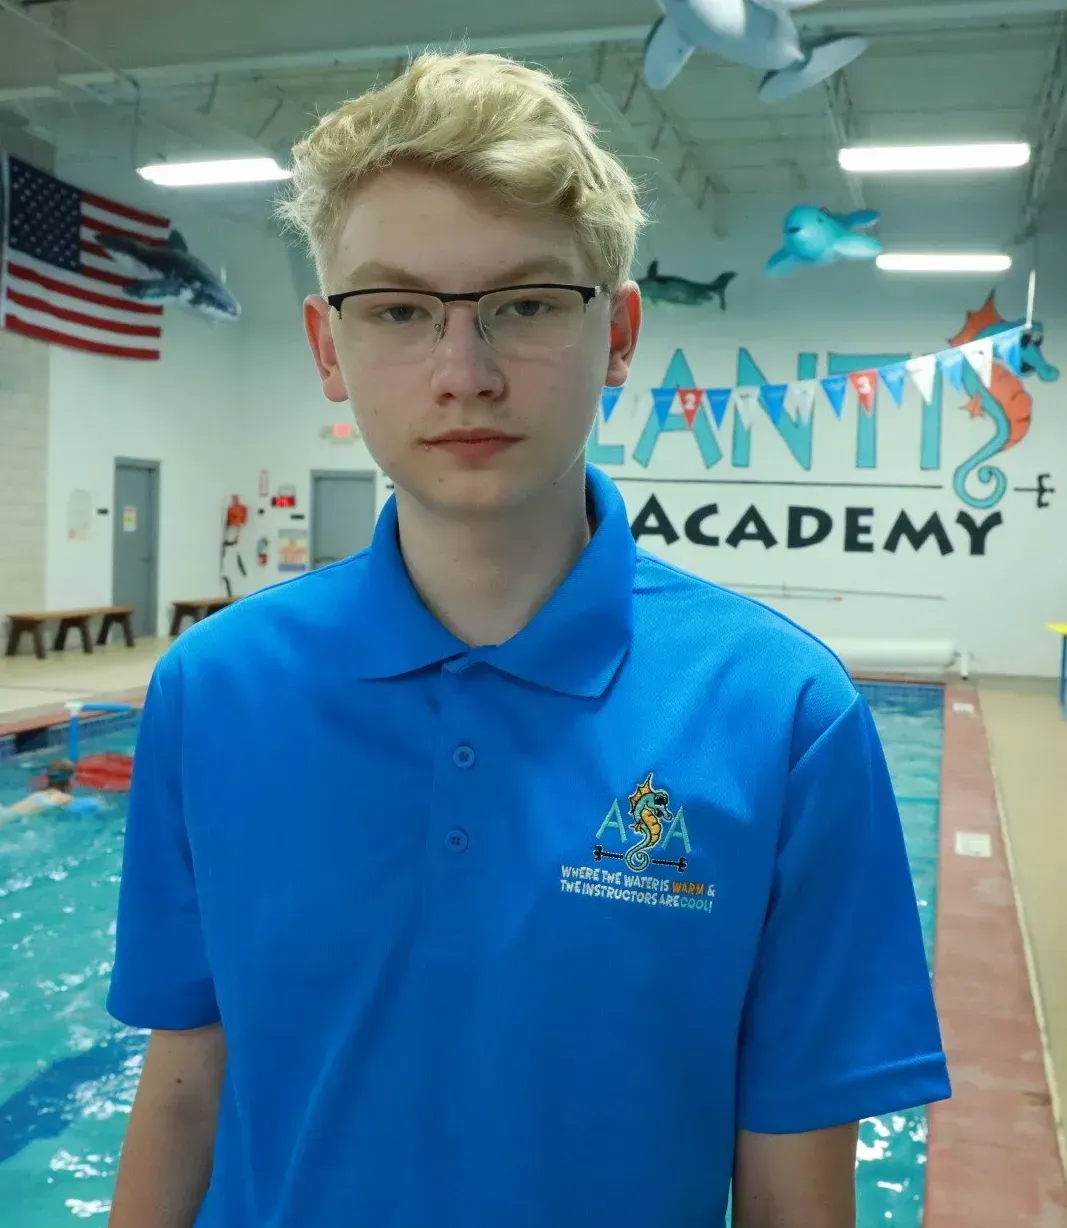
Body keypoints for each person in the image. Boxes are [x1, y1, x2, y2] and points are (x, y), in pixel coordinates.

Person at [104, 50, 951, 1228]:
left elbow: (792, 1187)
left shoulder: (779, 716)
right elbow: (186, 1091)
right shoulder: (214, 690)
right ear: (325, 345)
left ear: (618, 334)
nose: (464, 371)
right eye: (398, 309)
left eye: (526, 305)